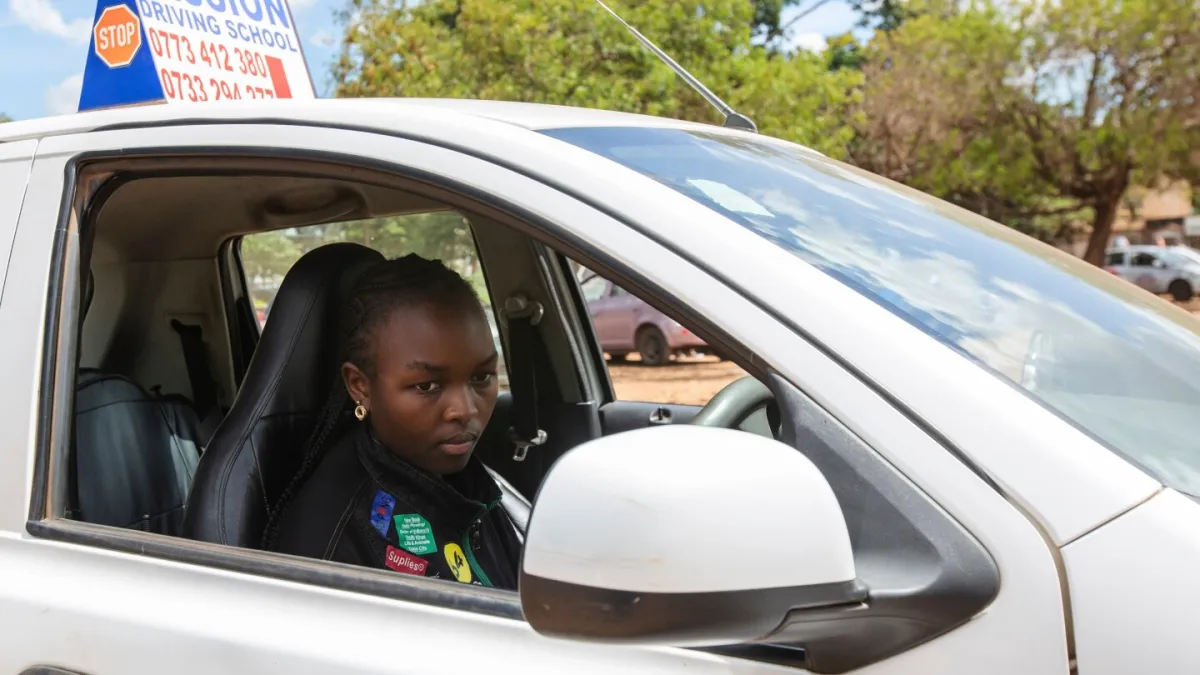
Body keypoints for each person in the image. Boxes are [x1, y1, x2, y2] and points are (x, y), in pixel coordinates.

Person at [263, 253, 521, 590]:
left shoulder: (464, 478)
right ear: (360, 386)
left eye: (482, 377)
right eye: (426, 386)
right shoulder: (333, 540)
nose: (464, 410)